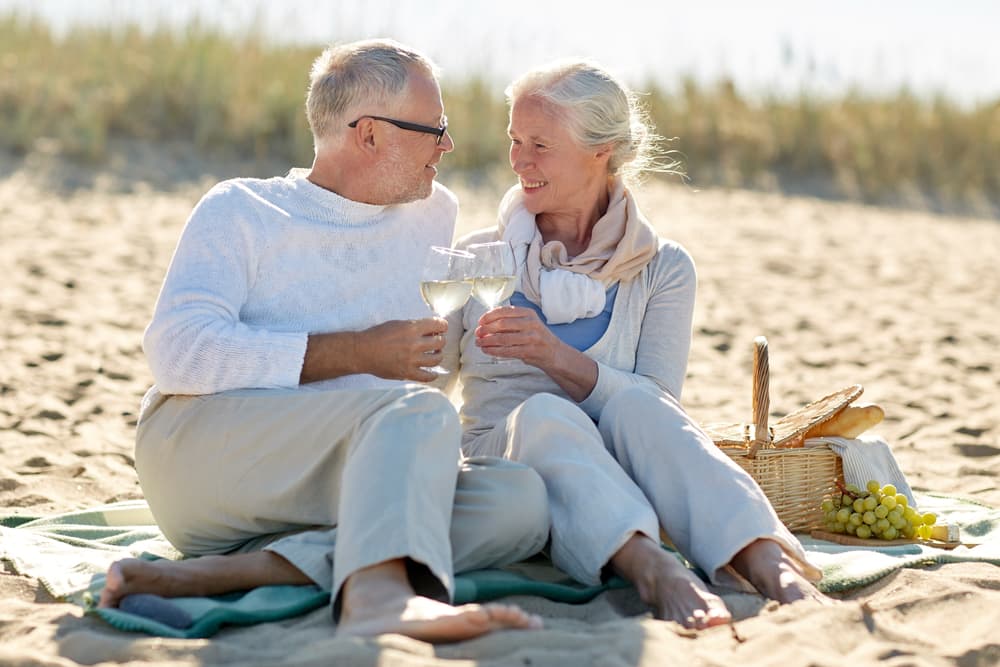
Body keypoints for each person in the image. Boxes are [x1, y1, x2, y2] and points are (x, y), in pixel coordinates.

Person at [97, 39, 550, 643]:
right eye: (434, 129)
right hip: (202, 459)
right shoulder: (242, 209)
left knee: (521, 502)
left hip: (343, 471)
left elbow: (423, 365)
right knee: (417, 413)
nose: (447, 145)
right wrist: (358, 352)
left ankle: (245, 571)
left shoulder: (432, 213)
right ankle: (379, 597)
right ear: (367, 135)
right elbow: (180, 351)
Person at [446, 59, 830, 629]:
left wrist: (552, 355)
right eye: (514, 140)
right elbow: (423, 383)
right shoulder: (479, 257)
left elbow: (656, 408)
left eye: (540, 145)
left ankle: (769, 562)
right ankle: (656, 570)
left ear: (600, 150)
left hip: (622, 466)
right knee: (549, 411)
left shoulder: (663, 268)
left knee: (638, 404)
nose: (518, 161)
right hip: (507, 462)